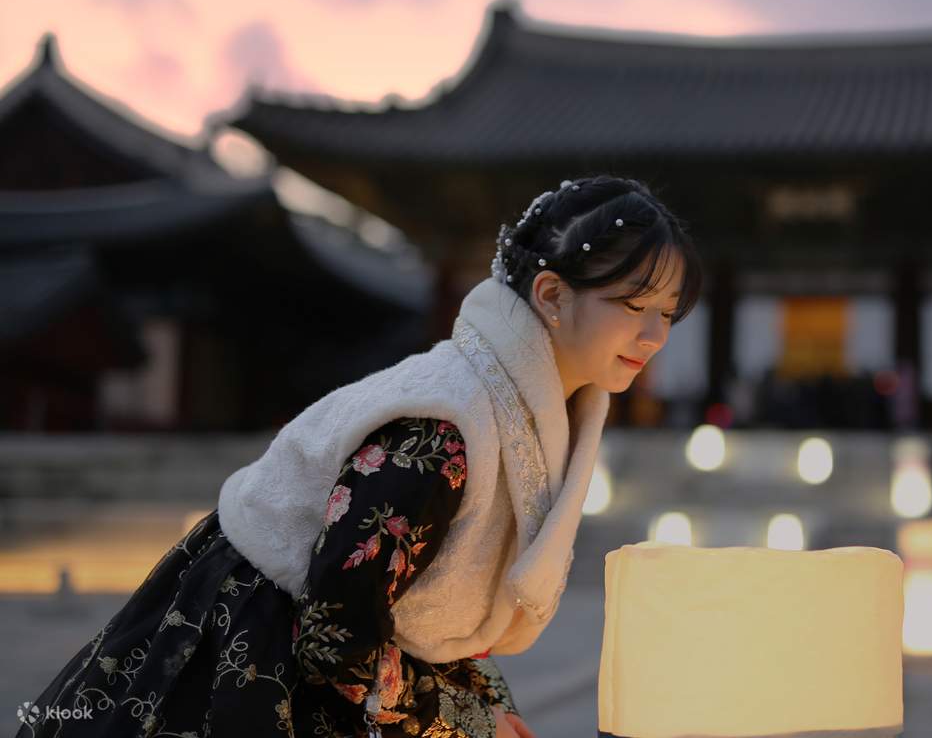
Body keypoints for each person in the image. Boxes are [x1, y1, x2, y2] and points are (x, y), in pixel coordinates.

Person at [17, 175, 703, 738]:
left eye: (668, 312)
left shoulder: (533, 406)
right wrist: (469, 722)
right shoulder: (443, 427)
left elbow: (416, 608)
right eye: (632, 303)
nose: (653, 333)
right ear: (551, 295)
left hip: (340, 647)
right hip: (259, 646)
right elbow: (337, 627)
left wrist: (483, 710)